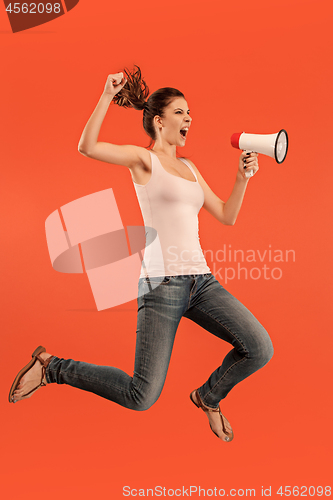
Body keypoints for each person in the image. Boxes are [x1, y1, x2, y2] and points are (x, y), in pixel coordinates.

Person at [9, 66, 273, 443]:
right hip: (161, 285)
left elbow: (226, 216)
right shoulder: (143, 160)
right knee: (141, 396)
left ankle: (208, 397)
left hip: (201, 282)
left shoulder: (190, 168)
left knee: (259, 347)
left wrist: (241, 179)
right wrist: (104, 96)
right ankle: (52, 368)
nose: (189, 118)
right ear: (159, 122)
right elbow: (87, 147)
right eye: (181, 112)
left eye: (189, 112)